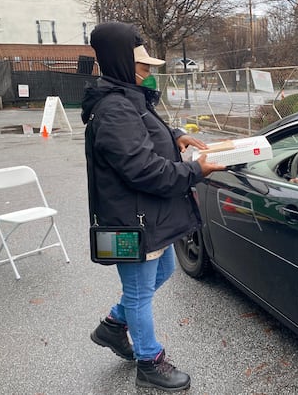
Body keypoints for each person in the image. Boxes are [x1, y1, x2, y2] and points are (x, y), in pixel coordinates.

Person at [81, 22, 225, 392]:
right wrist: (196, 170)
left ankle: (114, 326)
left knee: (164, 270)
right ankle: (150, 362)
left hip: (148, 216)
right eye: (141, 66)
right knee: (141, 293)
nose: (147, 72)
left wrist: (176, 136)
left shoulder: (128, 98)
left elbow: (144, 131)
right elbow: (144, 169)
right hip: (131, 221)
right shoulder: (114, 108)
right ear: (119, 62)